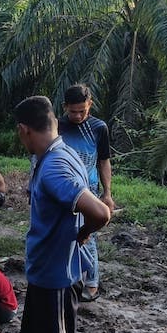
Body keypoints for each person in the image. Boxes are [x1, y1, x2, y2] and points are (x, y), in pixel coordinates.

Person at [14, 95, 111, 333]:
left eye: (19, 134)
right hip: (43, 272)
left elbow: (100, 212)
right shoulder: (56, 153)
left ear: (24, 130)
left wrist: (84, 233)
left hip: (57, 276)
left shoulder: (55, 166)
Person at [58, 84, 119, 302]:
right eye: (72, 111)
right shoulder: (57, 126)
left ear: (90, 105)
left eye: (81, 111)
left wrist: (107, 193)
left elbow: (104, 161)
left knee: (87, 235)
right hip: (62, 188)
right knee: (64, 233)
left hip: (89, 189)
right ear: (65, 107)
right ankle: (70, 276)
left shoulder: (98, 128)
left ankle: (92, 282)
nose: (77, 115)